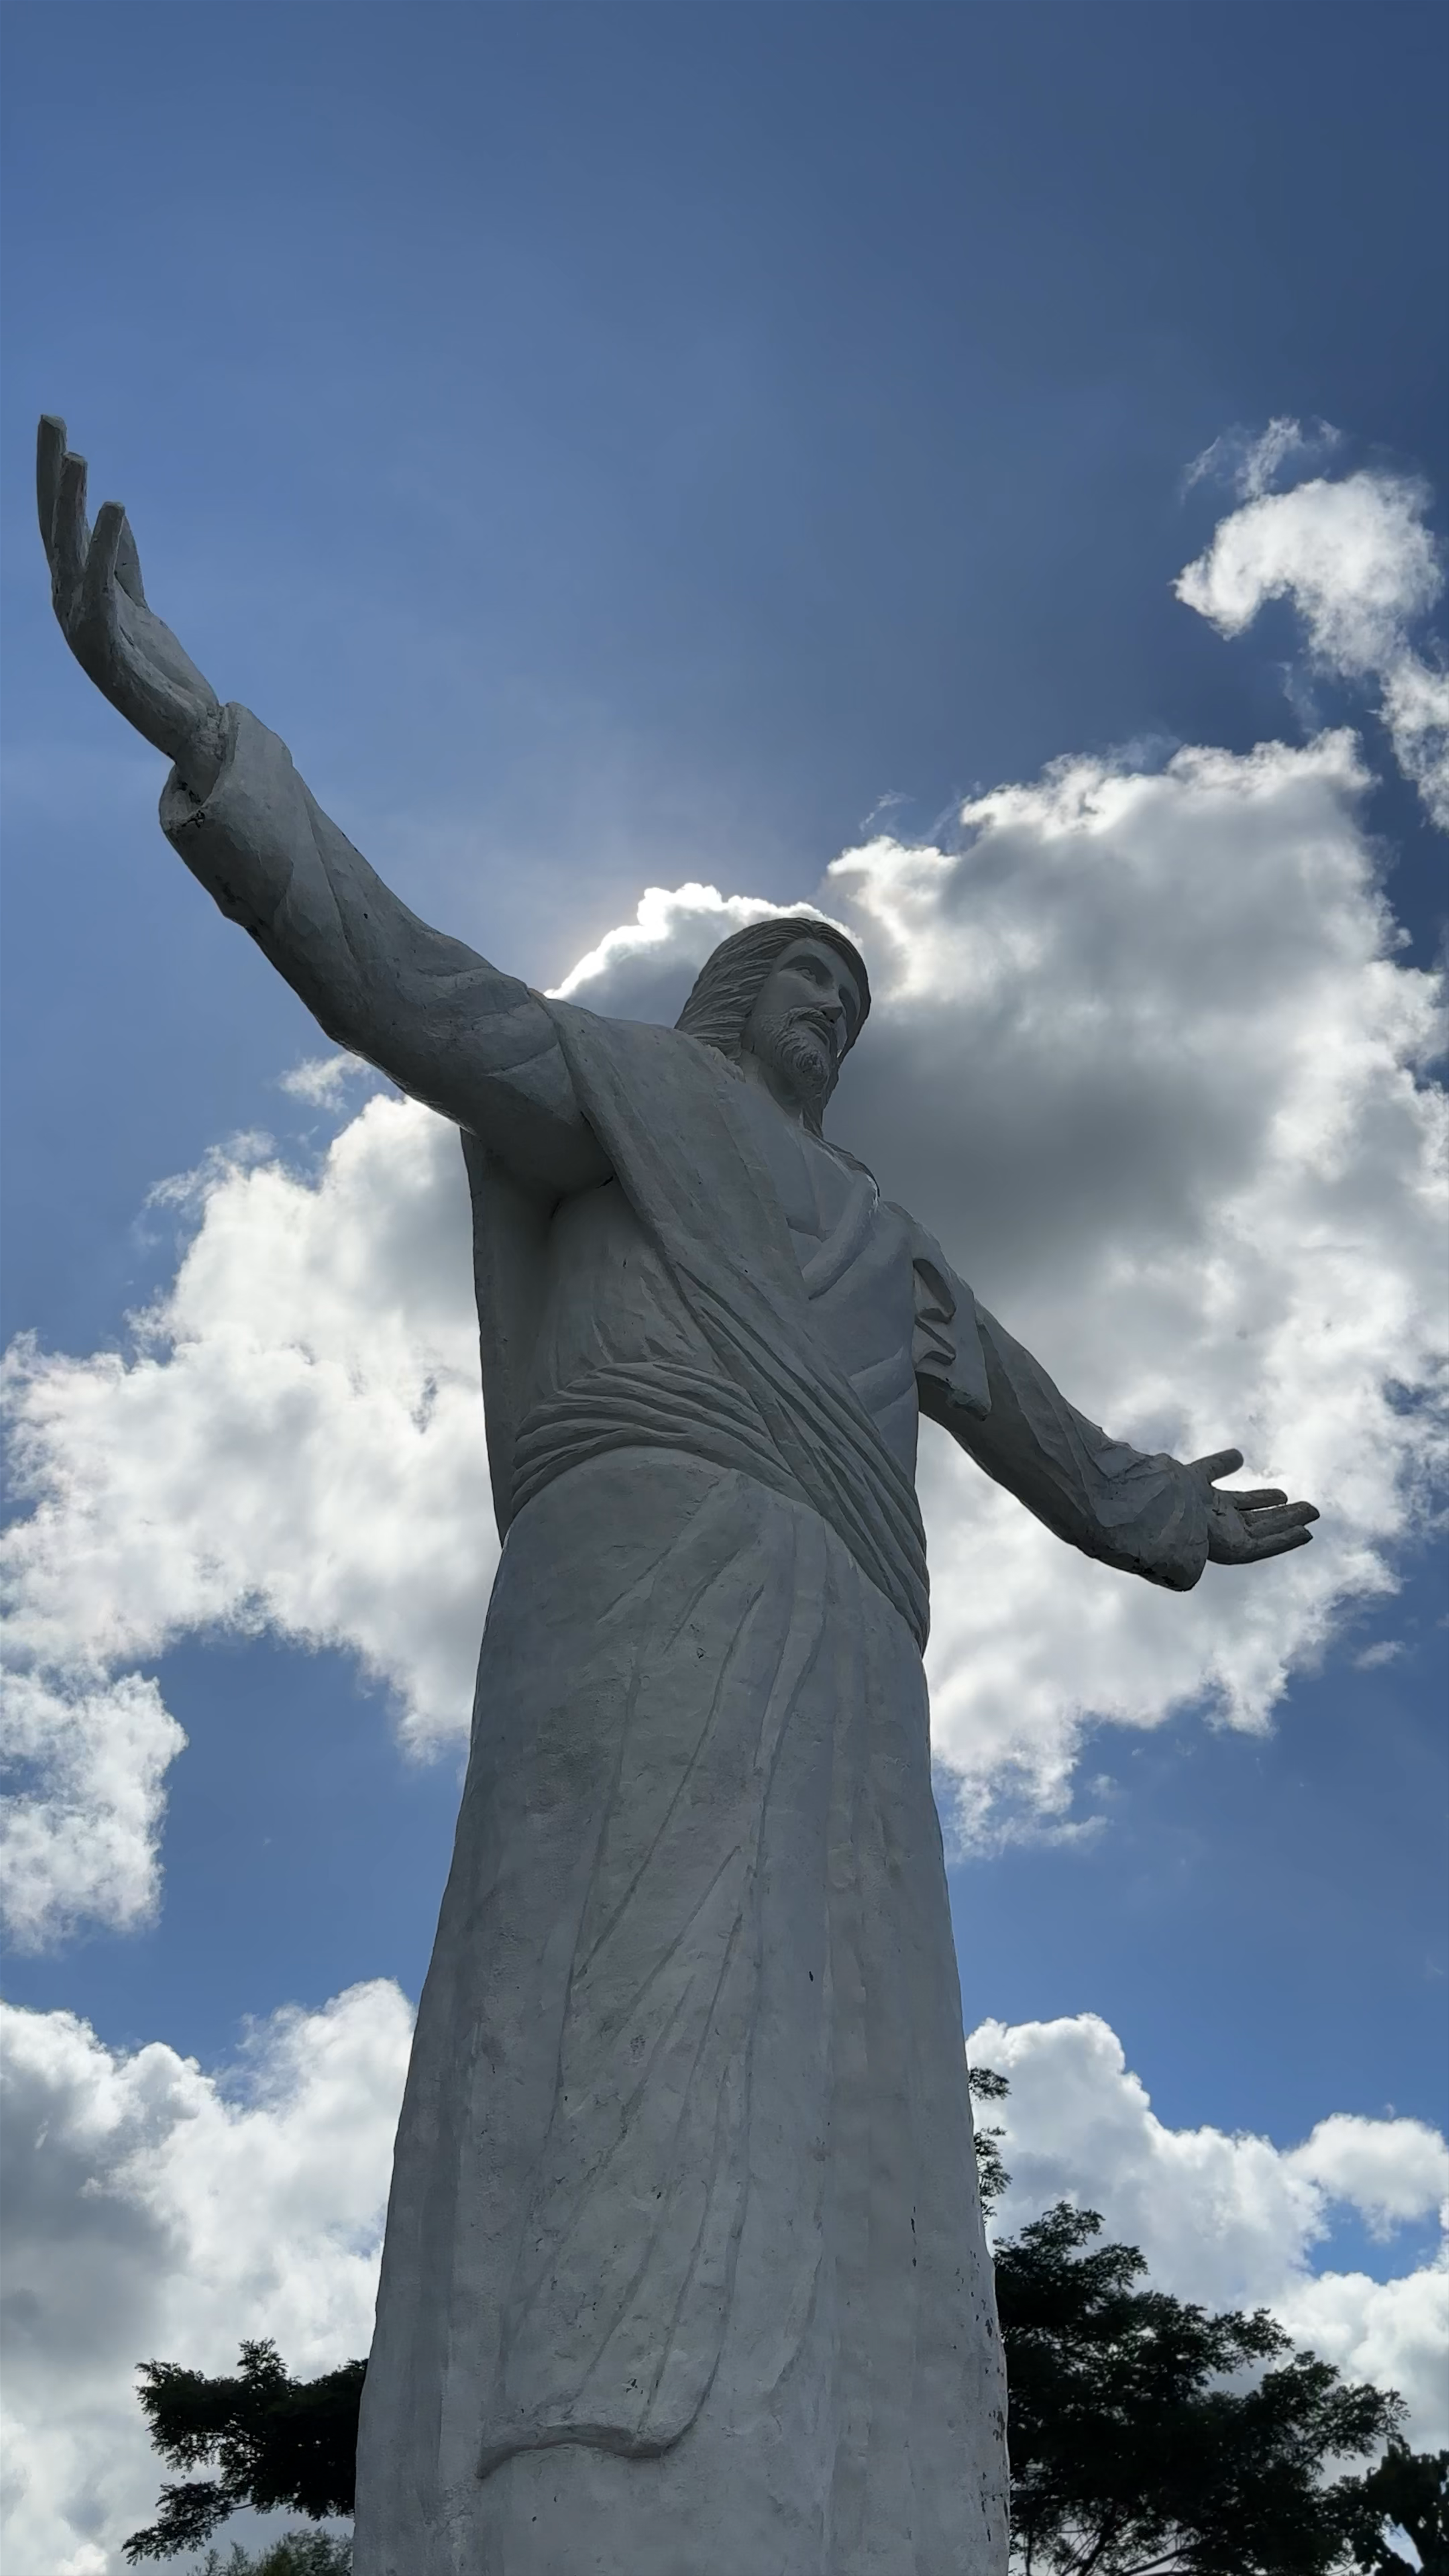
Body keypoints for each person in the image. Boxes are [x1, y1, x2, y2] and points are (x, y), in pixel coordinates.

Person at [37, 418, 1318, 2576]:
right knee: (625, 1999)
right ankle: (579, 2478)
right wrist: (211, 743)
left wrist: (1171, 1517)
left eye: (852, 999)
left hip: (851, 1639)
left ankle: (871, 2507)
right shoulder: (623, 1090)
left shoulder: (887, 1237)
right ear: (725, 995)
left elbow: (1041, 1425)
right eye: (799, 976)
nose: (827, 1009)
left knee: (852, 2047)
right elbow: (402, 981)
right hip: (644, 1567)